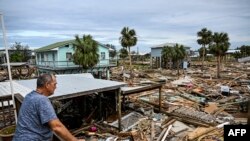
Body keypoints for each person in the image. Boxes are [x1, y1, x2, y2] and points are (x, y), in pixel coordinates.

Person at [13, 73, 84, 141]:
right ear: (47, 85)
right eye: (54, 84)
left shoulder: (29, 96)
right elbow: (57, 127)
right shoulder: (41, 100)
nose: (56, 87)